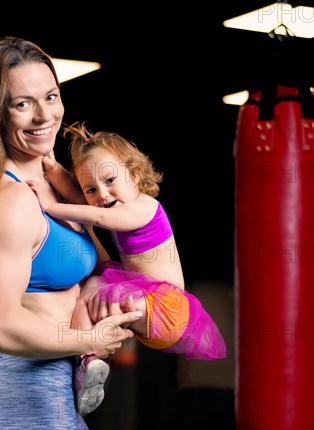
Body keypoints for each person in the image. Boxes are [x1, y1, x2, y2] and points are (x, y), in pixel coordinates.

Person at [0, 37, 143, 429]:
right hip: (28, 394)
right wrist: (89, 341)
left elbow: (107, 273)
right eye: (23, 104)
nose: (44, 116)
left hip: (54, 392)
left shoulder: (56, 183)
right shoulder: (11, 202)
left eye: (51, 97)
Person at [27, 122, 227, 372]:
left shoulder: (144, 207)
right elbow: (81, 201)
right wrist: (54, 169)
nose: (103, 194)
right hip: (142, 300)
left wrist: (51, 206)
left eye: (110, 180)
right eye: (92, 189)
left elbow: (97, 217)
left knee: (98, 296)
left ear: (133, 175)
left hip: (167, 308)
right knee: (87, 293)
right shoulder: (113, 203)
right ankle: (86, 361)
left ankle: (95, 353)